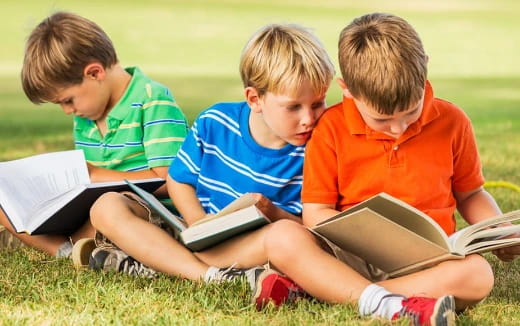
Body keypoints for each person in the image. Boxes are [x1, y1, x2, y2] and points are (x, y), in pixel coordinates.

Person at [253, 12, 520, 326]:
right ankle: (381, 299)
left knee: (478, 275)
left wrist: (496, 233)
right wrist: (373, 238)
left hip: (424, 260)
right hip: (350, 255)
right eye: (381, 120)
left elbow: (471, 193)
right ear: (347, 89)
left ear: (424, 75)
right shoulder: (331, 129)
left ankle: (327, 291)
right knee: (284, 236)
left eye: (410, 112)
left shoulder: (453, 121)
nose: (398, 128)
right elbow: (315, 213)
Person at [79, 23, 335, 285]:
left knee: (284, 238)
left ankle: (163, 264)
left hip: (253, 246)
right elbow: (178, 180)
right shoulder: (216, 121)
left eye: (318, 103)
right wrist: (197, 221)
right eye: (293, 107)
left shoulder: (321, 143)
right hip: (194, 232)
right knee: (107, 206)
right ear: (254, 99)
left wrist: (273, 213)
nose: (308, 119)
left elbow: (314, 228)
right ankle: (209, 276)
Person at [0, 11, 188, 259]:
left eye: (68, 100)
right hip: (95, 209)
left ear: (95, 73)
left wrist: (95, 175)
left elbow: (172, 182)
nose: (68, 111)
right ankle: (65, 251)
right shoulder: (86, 117)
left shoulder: (152, 100)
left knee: (109, 206)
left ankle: (76, 244)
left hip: (148, 212)